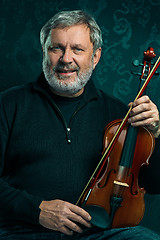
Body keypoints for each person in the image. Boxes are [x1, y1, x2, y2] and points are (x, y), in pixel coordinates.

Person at [0, 10, 160, 240]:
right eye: (56, 48)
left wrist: (156, 132)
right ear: (44, 52)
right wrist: (37, 210)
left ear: (95, 57)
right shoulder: (8, 104)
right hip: (23, 231)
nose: (66, 59)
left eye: (77, 49)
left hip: (95, 234)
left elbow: (154, 184)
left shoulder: (118, 115)